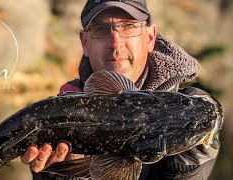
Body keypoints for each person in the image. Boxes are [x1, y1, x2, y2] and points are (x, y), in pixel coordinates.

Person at [21, 0, 220, 179]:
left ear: (150, 37)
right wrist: (61, 174)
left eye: (129, 26)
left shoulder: (190, 107)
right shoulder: (59, 115)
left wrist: (186, 168)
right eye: (101, 29)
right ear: (84, 43)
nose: (116, 43)